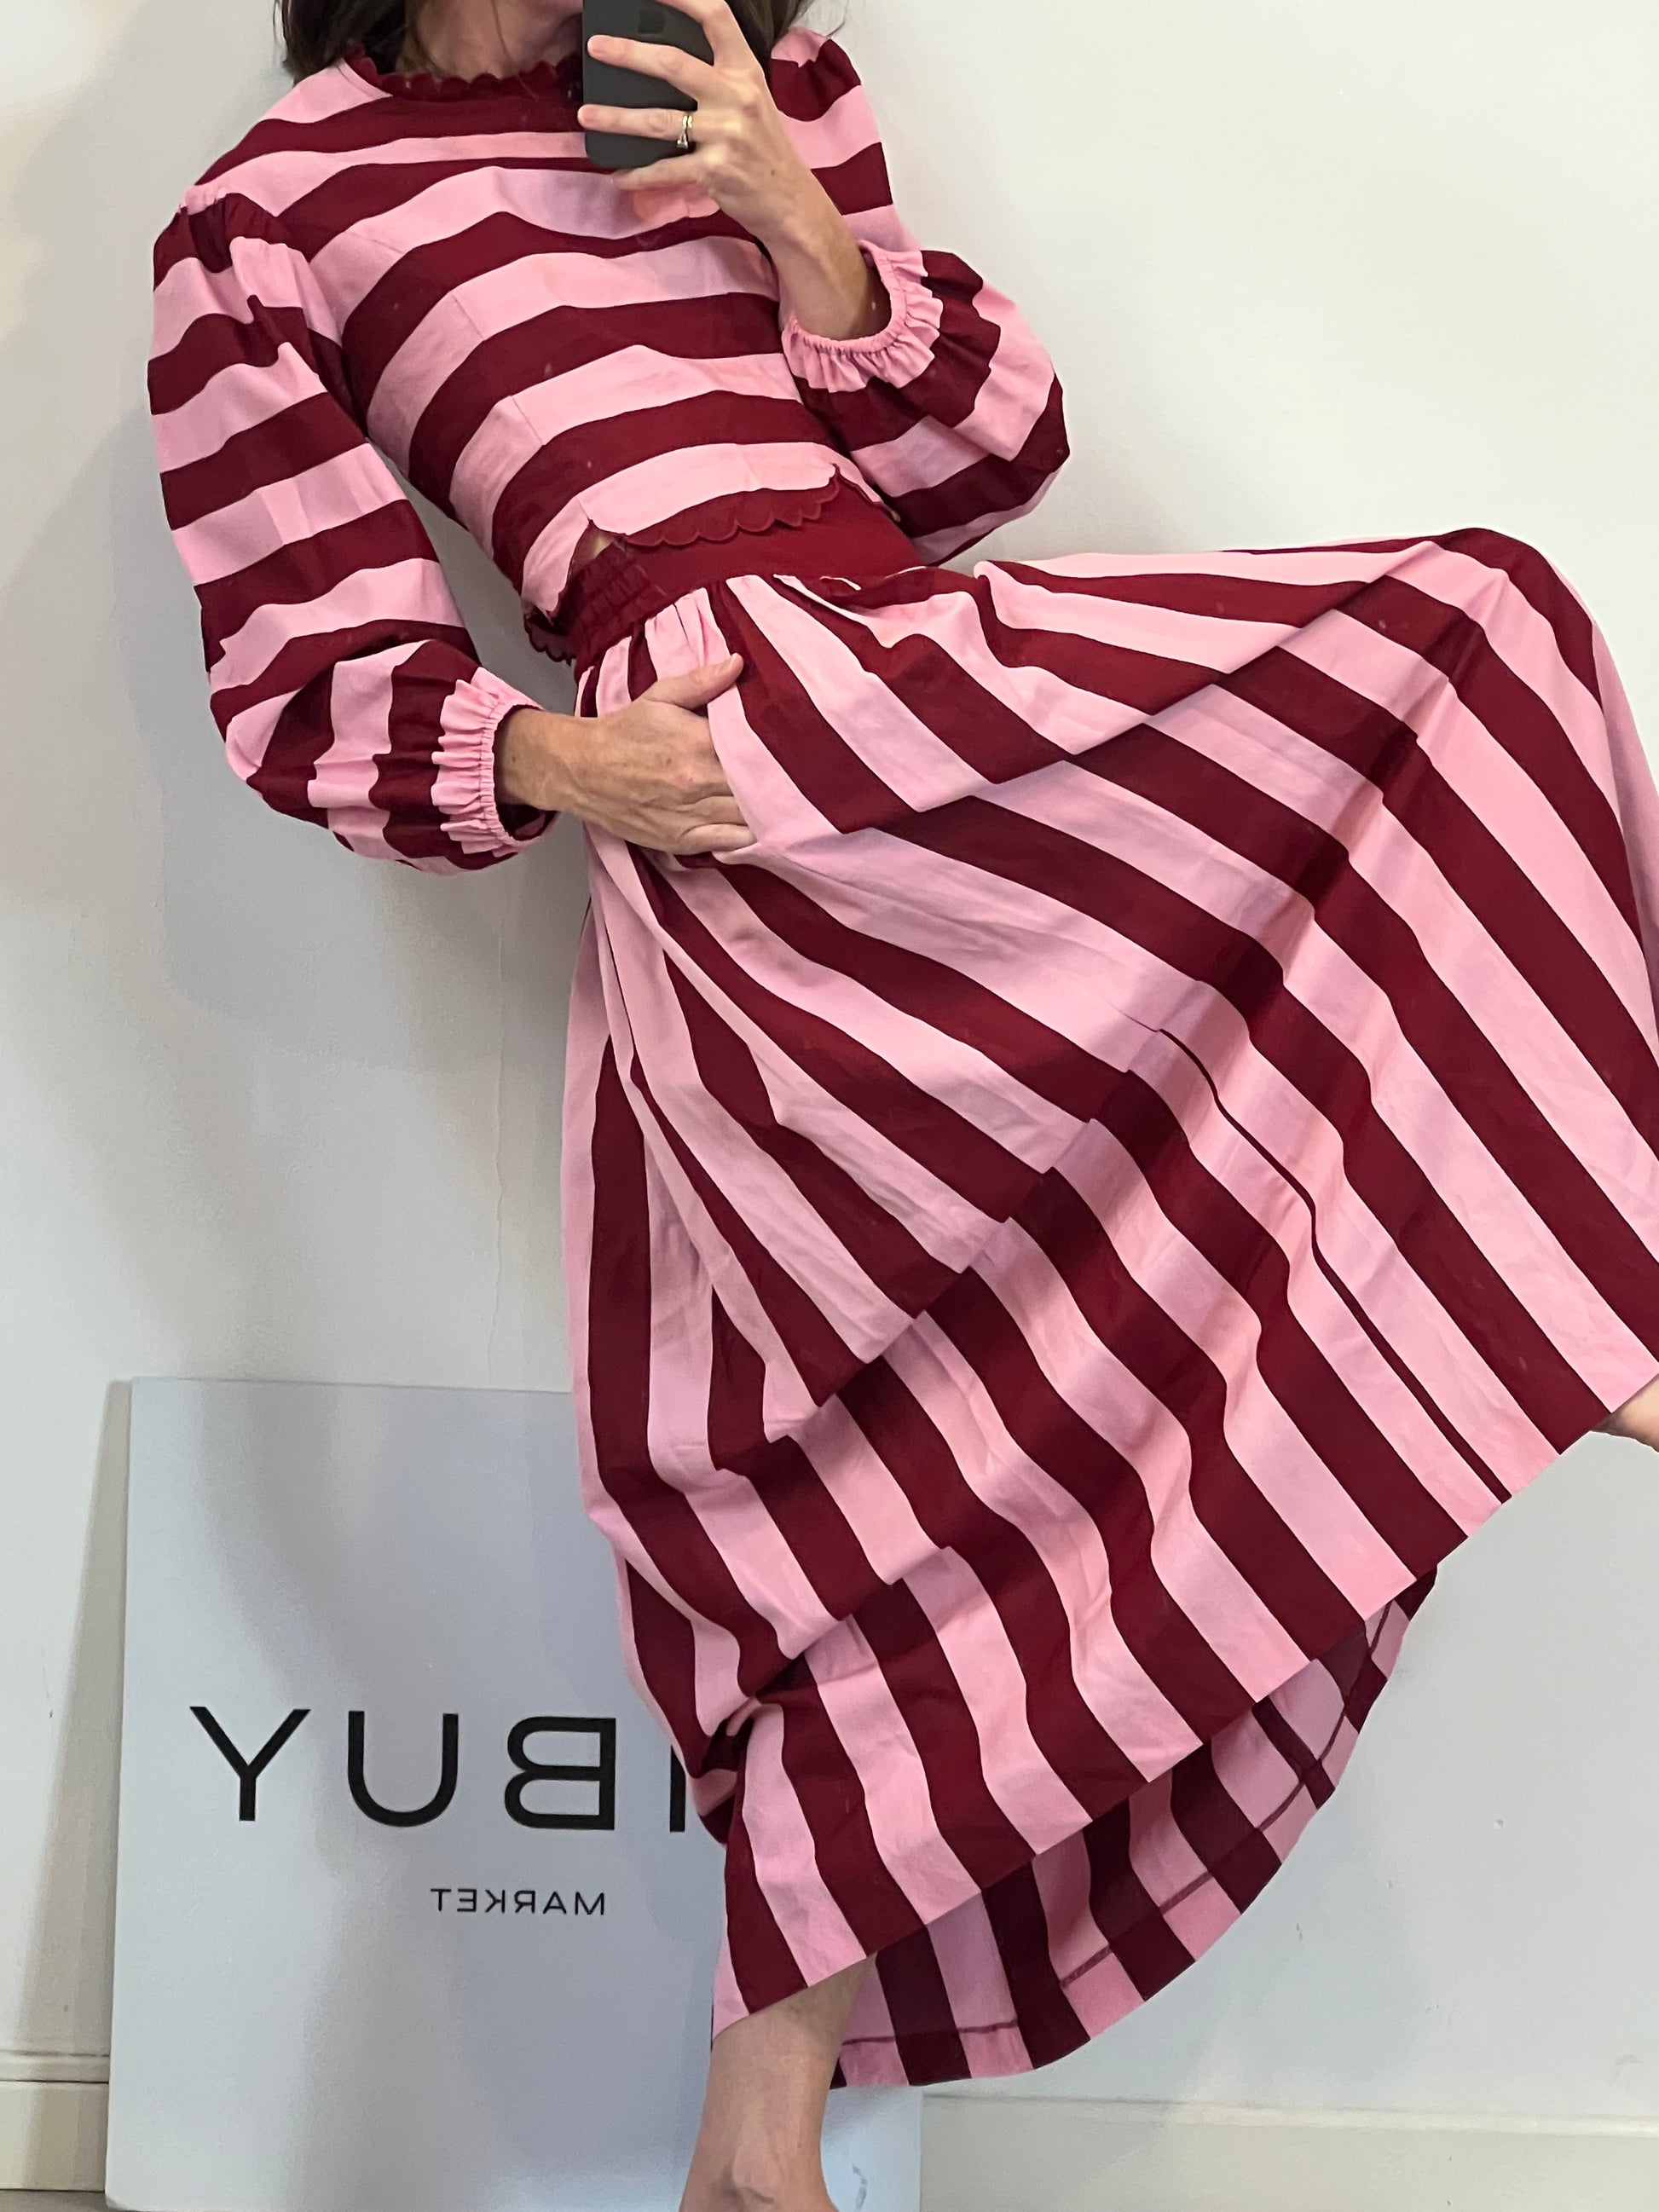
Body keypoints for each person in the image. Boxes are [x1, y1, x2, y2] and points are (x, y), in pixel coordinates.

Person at [148, 0, 1659, 2203]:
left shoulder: (746, 67)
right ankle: (756, 2136)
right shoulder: (269, 210)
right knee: (852, 1455)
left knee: (1473, 630)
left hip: (941, 703)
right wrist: (556, 758)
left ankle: (1580, 1285)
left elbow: (978, 460)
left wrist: (797, 215)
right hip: (724, 796)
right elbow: (298, 664)